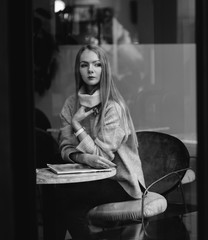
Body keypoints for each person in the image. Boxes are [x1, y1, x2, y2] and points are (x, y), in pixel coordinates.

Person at [56, 44, 146, 239]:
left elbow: (102, 158)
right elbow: (64, 147)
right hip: (89, 178)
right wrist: (83, 157)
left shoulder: (114, 106)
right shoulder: (71, 104)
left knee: (66, 201)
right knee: (55, 196)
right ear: (78, 69)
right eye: (84, 65)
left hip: (120, 181)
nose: (90, 70)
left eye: (97, 65)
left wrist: (77, 125)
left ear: (104, 69)